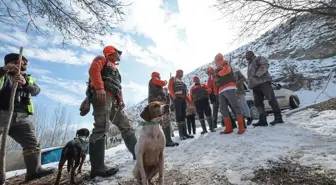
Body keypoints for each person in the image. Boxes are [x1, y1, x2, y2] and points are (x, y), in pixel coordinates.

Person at [0, 53, 55, 181]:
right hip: (2, 114)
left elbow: (36, 90)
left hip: (22, 117)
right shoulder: (3, 75)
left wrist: (25, 84)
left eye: (26, 61)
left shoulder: (27, 78)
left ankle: (34, 171)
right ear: (11, 63)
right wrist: (3, 71)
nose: (25, 63)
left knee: (32, 143)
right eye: (22, 61)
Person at [87, 45, 137, 178]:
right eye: (117, 52)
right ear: (111, 52)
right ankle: (97, 168)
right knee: (101, 127)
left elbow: (118, 87)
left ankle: (138, 153)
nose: (119, 55)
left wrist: (121, 100)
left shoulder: (115, 70)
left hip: (114, 100)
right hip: (102, 96)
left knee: (126, 125)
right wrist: (99, 88)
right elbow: (93, 70)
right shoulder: (101, 59)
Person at [246, 51, 284, 126]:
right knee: (258, 103)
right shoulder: (249, 64)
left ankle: (278, 118)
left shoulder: (258, 58)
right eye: (246, 55)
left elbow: (265, 65)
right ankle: (262, 120)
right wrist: (250, 85)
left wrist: (258, 75)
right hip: (255, 86)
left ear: (252, 54)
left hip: (264, 82)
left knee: (271, 99)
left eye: (247, 55)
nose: (246, 56)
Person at [214, 53, 245, 135]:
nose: (216, 61)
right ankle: (228, 127)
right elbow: (216, 80)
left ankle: (241, 126)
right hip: (221, 90)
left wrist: (219, 73)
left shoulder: (225, 63)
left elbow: (226, 71)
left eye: (217, 59)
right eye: (215, 60)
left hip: (229, 87)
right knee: (223, 109)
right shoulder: (217, 68)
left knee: (235, 106)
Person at [148, 72, 178, 147]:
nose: (160, 77)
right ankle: (167, 141)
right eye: (159, 75)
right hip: (158, 105)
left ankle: (164, 141)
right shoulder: (154, 79)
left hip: (158, 105)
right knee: (165, 121)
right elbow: (162, 83)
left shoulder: (154, 83)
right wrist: (165, 81)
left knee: (161, 122)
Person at [168, 69, 194, 140]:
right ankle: (181, 134)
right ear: (177, 73)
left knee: (183, 115)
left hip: (183, 100)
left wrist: (189, 101)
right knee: (178, 115)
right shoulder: (173, 79)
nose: (182, 74)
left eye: (182, 72)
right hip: (177, 99)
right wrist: (174, 96)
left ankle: (185, 133)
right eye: (180, 72)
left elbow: (185, 93)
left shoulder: (182, 83)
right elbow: (170, 87)